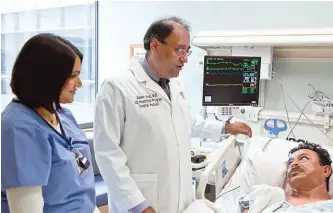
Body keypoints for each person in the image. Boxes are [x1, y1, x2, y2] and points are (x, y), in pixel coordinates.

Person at [94, 16, 252, 213]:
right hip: (142, 201)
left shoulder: (175, 83)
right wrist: (138, 205)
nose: (185, 58)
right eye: (179, 50)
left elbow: (184, 120)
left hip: (180, 198)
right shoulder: (117, 87)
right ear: (155, 45)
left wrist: (224, 127)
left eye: (187, 51)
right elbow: (107, 154)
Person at [1, 33, 99, 213]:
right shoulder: (18, 128)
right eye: (73, 76)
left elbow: (83, 191)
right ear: (47, 77)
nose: (79, 83)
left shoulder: (63, 116)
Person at [240, 142, 333, 212]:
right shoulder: (268, 195)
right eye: (290, 162)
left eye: (303, 158)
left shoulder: (329, 207)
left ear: (326, 171)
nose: (294, 164)